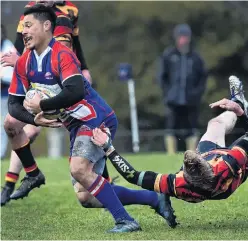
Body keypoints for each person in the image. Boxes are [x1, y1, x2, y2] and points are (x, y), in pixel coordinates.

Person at [4, 5, 176, 232]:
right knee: (86, 197)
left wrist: (42, 105)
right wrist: (36, 119)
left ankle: (126, 221)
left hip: (96, 118)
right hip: (75, 126)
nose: (23, 31)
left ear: (47, 26)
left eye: (28, 26)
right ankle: (155, 199)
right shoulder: (24, 62)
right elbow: (13, 105)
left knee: (78, 168)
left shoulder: (62, 54)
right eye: (22, 26)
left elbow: (76, 92)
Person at [92, 75, 248, 205]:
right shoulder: (228, 163)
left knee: (214, 124)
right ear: (207, 162)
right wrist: (240, 114)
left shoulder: (178, 183)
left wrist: (108, 147)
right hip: (229, 180)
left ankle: (239, 101)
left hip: (206, 182)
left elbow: (132, 176)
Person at [0, 0, 114, 206]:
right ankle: (22, 178)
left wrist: (84, 68)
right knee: (12, 124)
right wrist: (19, 62)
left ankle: (103, 182)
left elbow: (72, 46)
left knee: (83, 126)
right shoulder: (31, 11)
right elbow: (22, 45)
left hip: (63, 80)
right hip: (42, 80)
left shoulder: (68, 12)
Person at [157, 23, 207, 154]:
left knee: (191, 128)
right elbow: (162, 77)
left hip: (191, 101)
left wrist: (197, 94)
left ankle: (192, 155)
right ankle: (171, 154)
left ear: (189, 38)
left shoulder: (196, 58)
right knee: (171, 128)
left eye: (185, 37)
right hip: (173, 101)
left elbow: (203, 78)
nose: (183, 40)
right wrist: (168, 93)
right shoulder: (169, 55)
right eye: (181, 37)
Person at [0, 25, 16, 159]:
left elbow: (10, 74)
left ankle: (0, 153)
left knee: (2, 124)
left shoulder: (8, 47)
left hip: (4, 93)